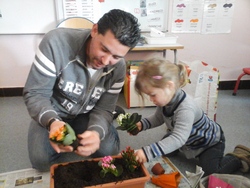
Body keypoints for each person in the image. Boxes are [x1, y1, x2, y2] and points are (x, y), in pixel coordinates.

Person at [23, 9, 141, 172]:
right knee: (40, 161)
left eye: (116, 56)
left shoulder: (118, 68)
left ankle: (109, 118)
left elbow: (103, 108)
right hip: (54, 110)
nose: (106, 61)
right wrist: (51, 121)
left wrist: (96, 132)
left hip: (88, 112)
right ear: (94, 30)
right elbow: (36, 93)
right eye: (104, 49)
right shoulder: (55, 43)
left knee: (108, 152)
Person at [133, 57, 250, 176]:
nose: (151, 99)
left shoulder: (186, 108)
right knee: (166, 145)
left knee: (212, 171)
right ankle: (179, 145)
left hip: (208, 143)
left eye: (152, 95)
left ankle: (238, 158)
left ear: (169, 86)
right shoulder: (165, 100)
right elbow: (158, 118)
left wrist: (147, 152)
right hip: (187, 139)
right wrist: (142, 125)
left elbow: (179, 138)